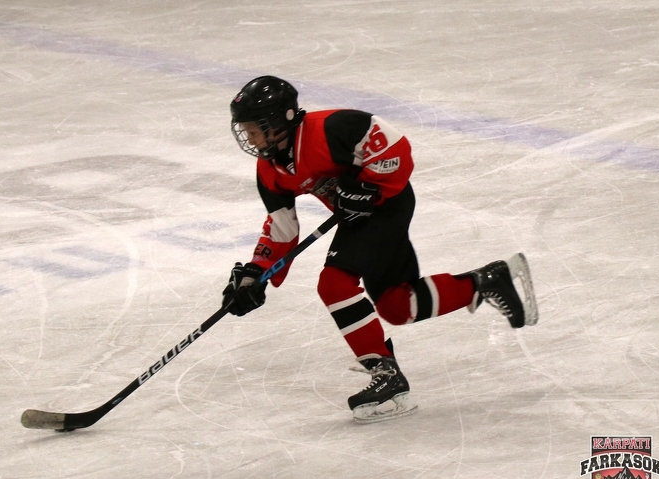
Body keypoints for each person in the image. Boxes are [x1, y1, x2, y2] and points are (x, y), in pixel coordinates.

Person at [222, 75, 538, 423]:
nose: (250, 138)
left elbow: (394, 146)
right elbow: (282, 227)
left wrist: (367, 187)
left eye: (255, 129)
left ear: (281, 119)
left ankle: (386, 375)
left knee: (334, 284)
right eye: (246, 131)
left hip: (385, 205)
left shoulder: (331, 129)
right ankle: (487, 281)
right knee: (397, 305)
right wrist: (255, 274)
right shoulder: (269, 170)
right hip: (358, 219)